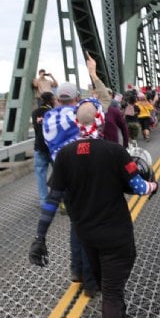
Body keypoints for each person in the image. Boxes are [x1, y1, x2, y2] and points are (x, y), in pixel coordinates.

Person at [28, 100, 158, 318]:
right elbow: (137, 187)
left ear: (78, 124)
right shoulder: (114, 151)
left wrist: (40, 237)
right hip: (117, 237)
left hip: (88, 237)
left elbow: (52, 201)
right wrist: (153, 185)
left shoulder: (64, 155)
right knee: (111, 296)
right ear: (100, 121)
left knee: (106, 286)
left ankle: (120, 316)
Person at [41, 53, 112, 296]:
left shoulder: (48, 118)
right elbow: (105, 101)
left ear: (58, 100)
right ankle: (91, 282)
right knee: (91, 227)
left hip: (63, 178)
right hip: (86, 177)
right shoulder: (80, 115)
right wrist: (93, 74)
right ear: (77, 99)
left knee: (77, 225)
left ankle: (77, 270)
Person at [31, 91, 55, 207]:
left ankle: (44, 202)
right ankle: (59, 199)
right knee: (59, 173)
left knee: (40, 175)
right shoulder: (52, 112)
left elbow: (36, 129)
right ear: (51, 100)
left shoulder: (35, 112)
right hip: (52, 147)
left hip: (39, 146)